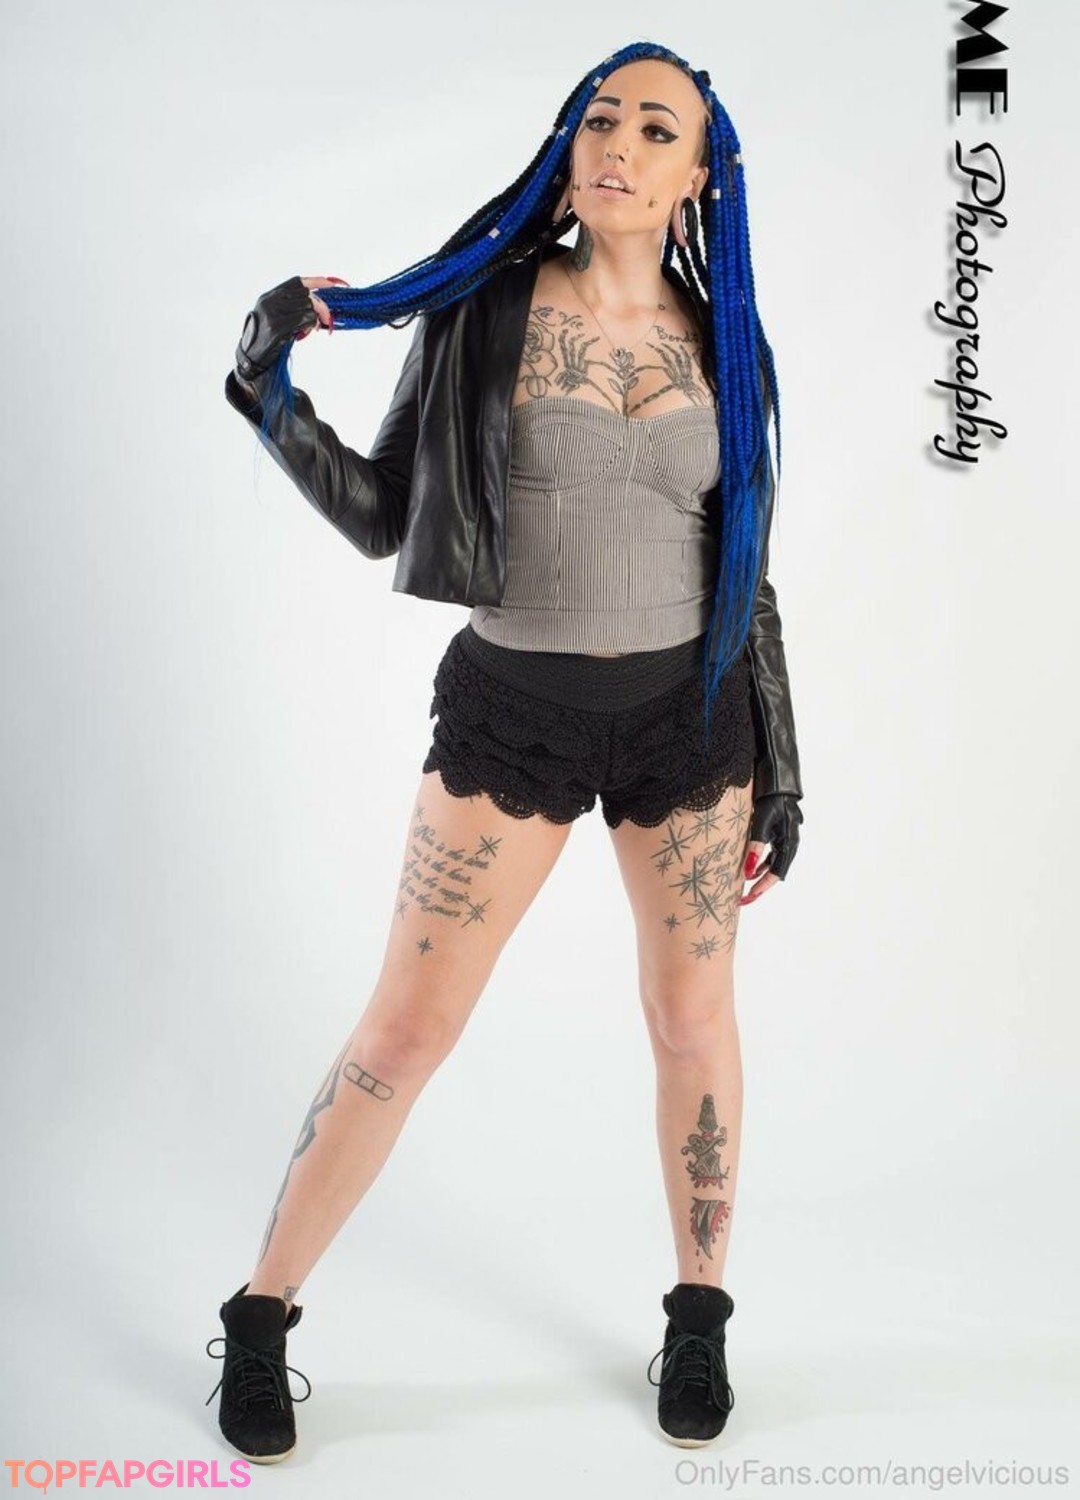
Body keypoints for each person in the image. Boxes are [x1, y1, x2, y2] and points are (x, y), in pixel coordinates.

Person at [204, 40, 804, 1462]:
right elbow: (381, 512)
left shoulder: (731, 345)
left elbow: (748, 568)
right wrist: (268, 390)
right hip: (512, 716)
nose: (619, 145)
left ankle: (700, 1316)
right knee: (407, 1030)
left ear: (699, 175)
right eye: (600, 119)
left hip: (690, 723)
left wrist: (782, 762)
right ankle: (259, 1314)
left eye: (655, 129)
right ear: (567, 147)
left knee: (692, 1021)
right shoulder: (483, 314)